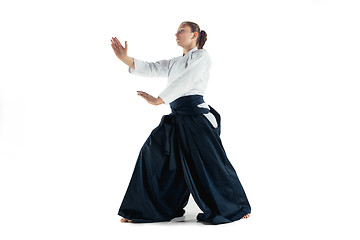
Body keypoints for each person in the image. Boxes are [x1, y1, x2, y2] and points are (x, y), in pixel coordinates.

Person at [111, 21, 251, 225]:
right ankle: (151, 209)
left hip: (196, 118)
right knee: (153, 156)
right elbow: (152, 67)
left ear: (194, 35)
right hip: (177, 117)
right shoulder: (175, 62)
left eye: (181, 31)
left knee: (212, 164)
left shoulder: (202, 56)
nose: (176, 34)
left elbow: (187, 80)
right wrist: (125, 59)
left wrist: (160, 99)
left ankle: (235, 207)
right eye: (176, 32)